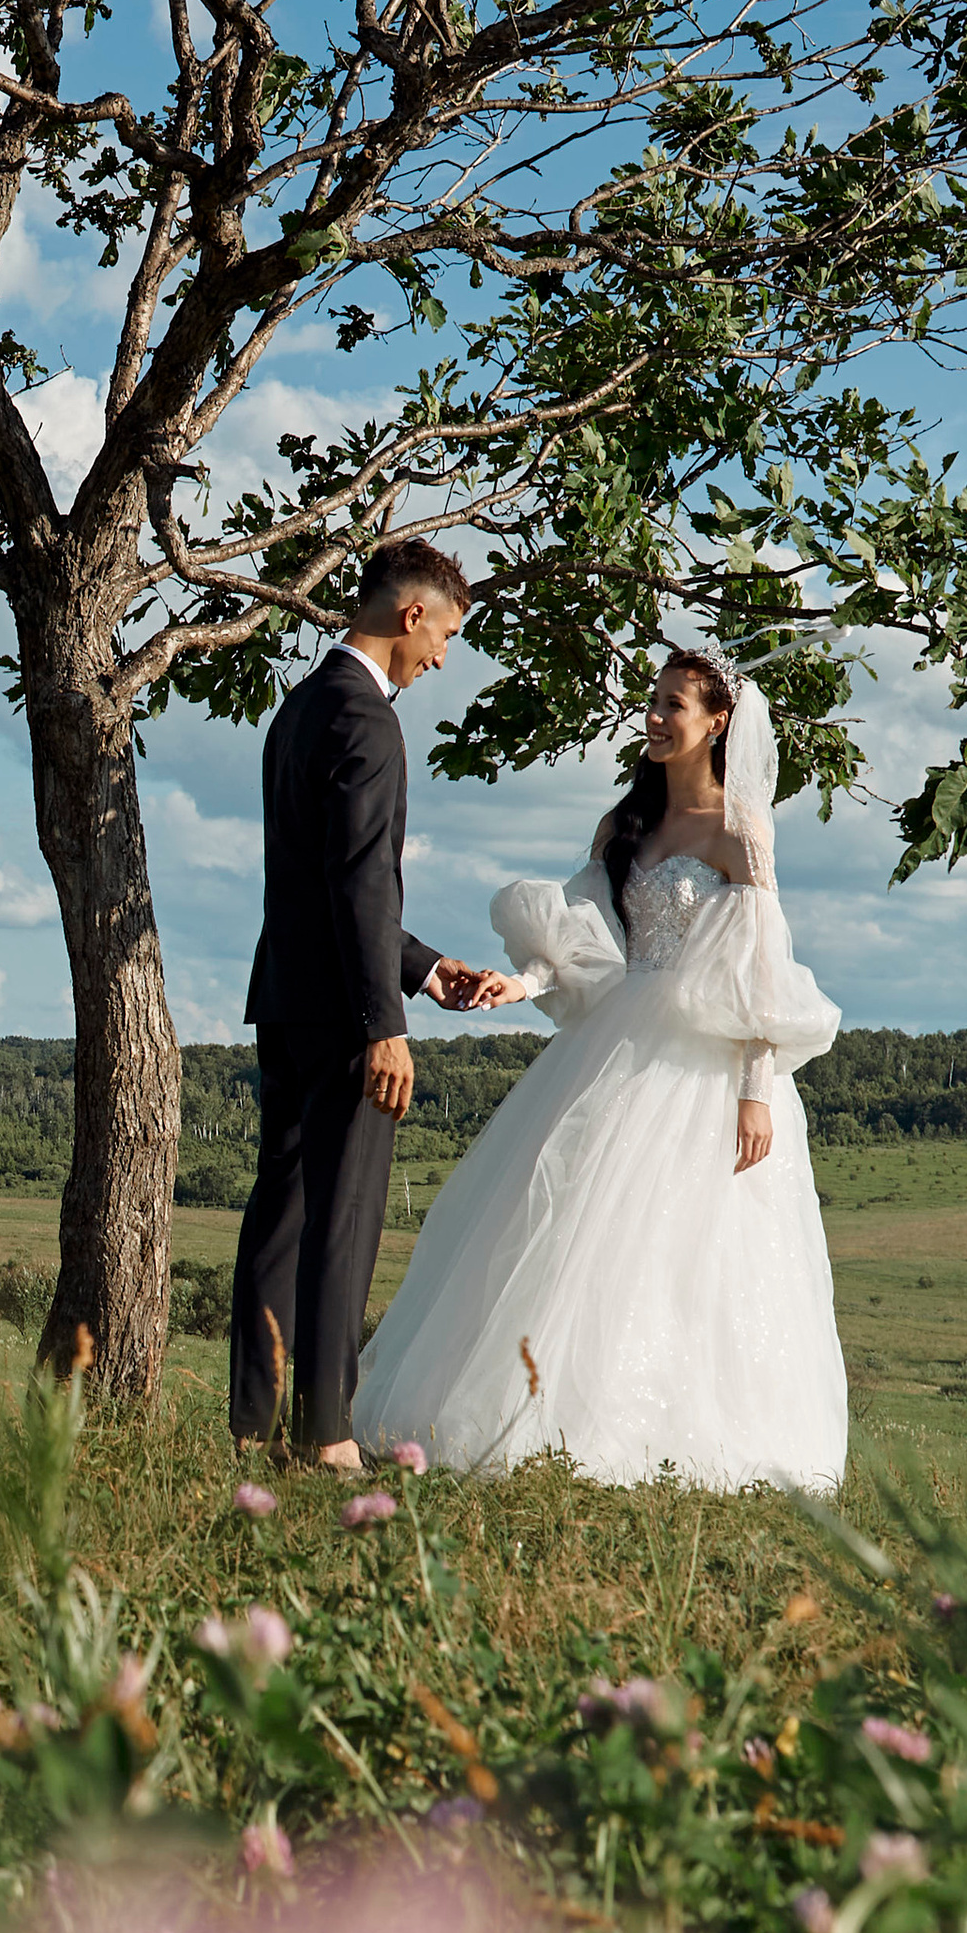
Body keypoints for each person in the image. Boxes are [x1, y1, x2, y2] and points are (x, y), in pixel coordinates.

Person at [345, 649, 846, 1491]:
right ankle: (536, 1414)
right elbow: (583, 933)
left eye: (674, 704)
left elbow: (760, 974)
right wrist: (521, 982)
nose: (655, 716)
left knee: (687, 1246)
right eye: (652, 700)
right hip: (617, 1042)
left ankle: (679, 1432)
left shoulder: (741, 836)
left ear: (717, 723)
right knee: (567, 1223)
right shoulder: (624, 825)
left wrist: (757, 1092)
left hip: (709, 1062)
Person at [228, 538, 506, 1466]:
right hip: (347, 1012)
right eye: (446, 637)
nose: (442, 658)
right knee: (341, 1225)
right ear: (411, 614)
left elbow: (322, 882)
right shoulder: (371, 721)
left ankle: (253, 1427)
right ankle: (326, 1438)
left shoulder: (302, 706)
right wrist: (386, 1023)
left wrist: (424, 967)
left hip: (287, 999)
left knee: (280, 1219)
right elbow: (359, 881)